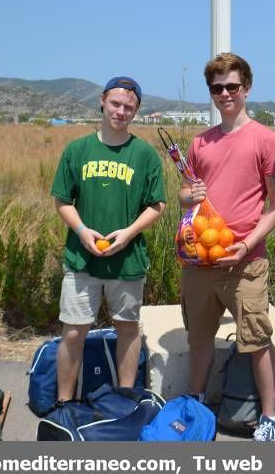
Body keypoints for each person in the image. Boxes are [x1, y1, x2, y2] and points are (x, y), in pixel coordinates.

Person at [180, 52, 275, 442]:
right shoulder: (199, 143)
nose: (224, 93)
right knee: (198, 340)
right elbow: (184, 198)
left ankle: (271, 416)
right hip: (199, 264)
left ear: (246, 88)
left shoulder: (266, 140)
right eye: (217, 88)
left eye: (232, 86)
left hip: (245, 262)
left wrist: (245, 245)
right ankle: (194, 404)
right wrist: (188, 197)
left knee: (257, 340)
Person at [50, 76, 166, 400]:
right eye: (115, 104)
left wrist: (129, 234)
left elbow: (157, 205)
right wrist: (82, 231)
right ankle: (64, 403)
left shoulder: (144, 154)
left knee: (127, 330)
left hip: (127, 261)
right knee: (73, 331)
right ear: (102, 101)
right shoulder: (78, 150)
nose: (121, 111)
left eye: (129, 107)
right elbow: (62, 200)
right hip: (81, 257)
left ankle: (125, 399)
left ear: (136, 111)